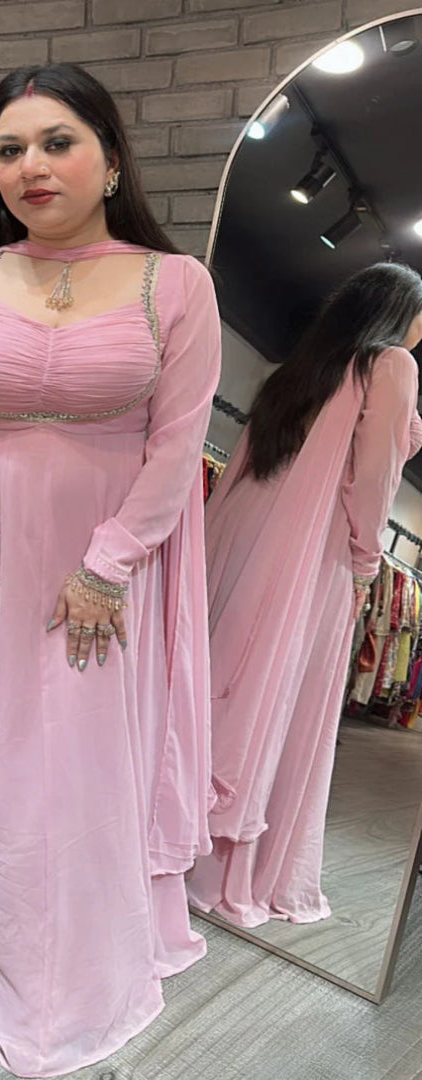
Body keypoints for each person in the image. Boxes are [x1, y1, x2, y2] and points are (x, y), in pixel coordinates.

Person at [0, 63, 221, 1077]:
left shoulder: (177, 285)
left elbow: (176, 449)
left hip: (104, 555)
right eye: (9, 148)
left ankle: (75, 958)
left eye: (57, 141)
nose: (31, 165)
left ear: (111, 159)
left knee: (76, 757)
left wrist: (110, 566)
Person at [187, 262, 422, 929]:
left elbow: (241, 468)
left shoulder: (301, 370)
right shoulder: (393, 366)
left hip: (246, 542)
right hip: (312, 555)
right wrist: (365, 563)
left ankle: (185, 841)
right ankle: (240, 869)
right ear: (398, 313)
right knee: (281, 699)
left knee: (229, 686)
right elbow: (373, 477)